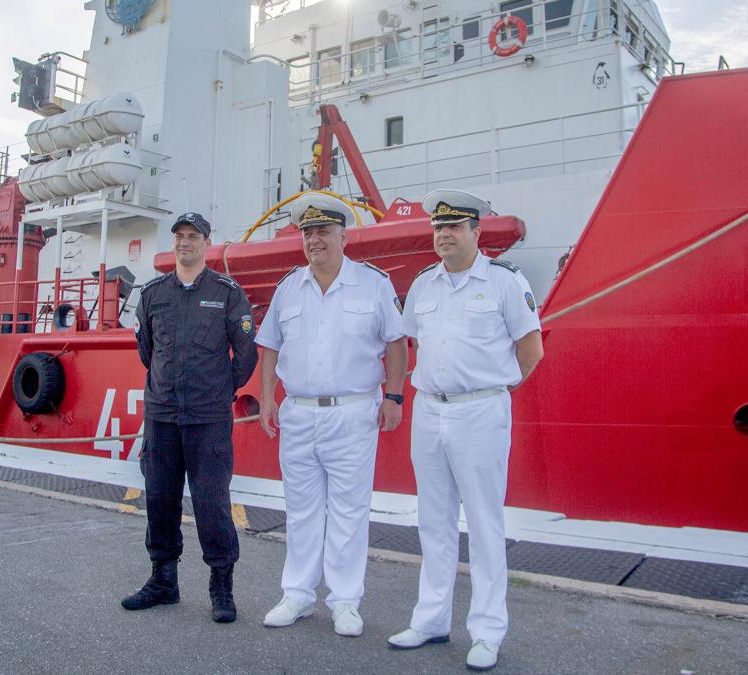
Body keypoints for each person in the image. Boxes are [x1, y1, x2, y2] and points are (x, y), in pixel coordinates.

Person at [389, 190, 543, 671]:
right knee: (433, 521)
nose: (444, 235)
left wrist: (495, 391)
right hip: (430, 411)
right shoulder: (423, 285)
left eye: (454, 227)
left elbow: (531, 349)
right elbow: (412, 338)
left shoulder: (503, 282)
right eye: (439, 228)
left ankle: (487, 630)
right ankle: (431, 619)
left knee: (483, 523)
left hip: (480, 412)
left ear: (476, 232)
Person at [255, 192, 407, 637]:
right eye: (308, 232)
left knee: (348, 510)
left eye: (323, 231)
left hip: (353, 412)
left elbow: (396, 344)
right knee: (300, 509)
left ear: (344, 235)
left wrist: (393, 398)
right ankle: (298, 595)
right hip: (299, 414)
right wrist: (267, 400)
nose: (314, 239)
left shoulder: (373, 284)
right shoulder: (289, 287)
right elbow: (269, 348)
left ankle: (345, 601)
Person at [124, 211, 258, 623]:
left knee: (212, 503)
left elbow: (246, 352)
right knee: (160, 500)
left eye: (193, 236)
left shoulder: (227, 292)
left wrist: (221, 391)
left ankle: (221, 586)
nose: (185, 242)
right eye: (179, 236)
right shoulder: (152, 294)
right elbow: (147, 350)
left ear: (206, 243)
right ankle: (163, 581)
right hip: (162, 415)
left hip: (208, 418)